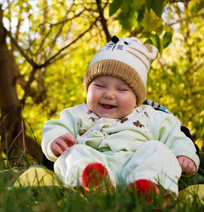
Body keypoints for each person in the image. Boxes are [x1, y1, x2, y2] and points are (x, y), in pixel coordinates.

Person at [41, 36, 200, 197]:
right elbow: (55, 127)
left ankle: (146, 187)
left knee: (158, 150)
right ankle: (93, 184)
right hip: (95, 162)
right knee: (72, 153)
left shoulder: (152, 116)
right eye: (99, 85)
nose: (109, 94)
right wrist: (55, 140)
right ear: (87, 89)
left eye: (122, 90)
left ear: (136, 97)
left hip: (137, 165)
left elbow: (175, 136)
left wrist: (185, 155)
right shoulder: (77, 114)